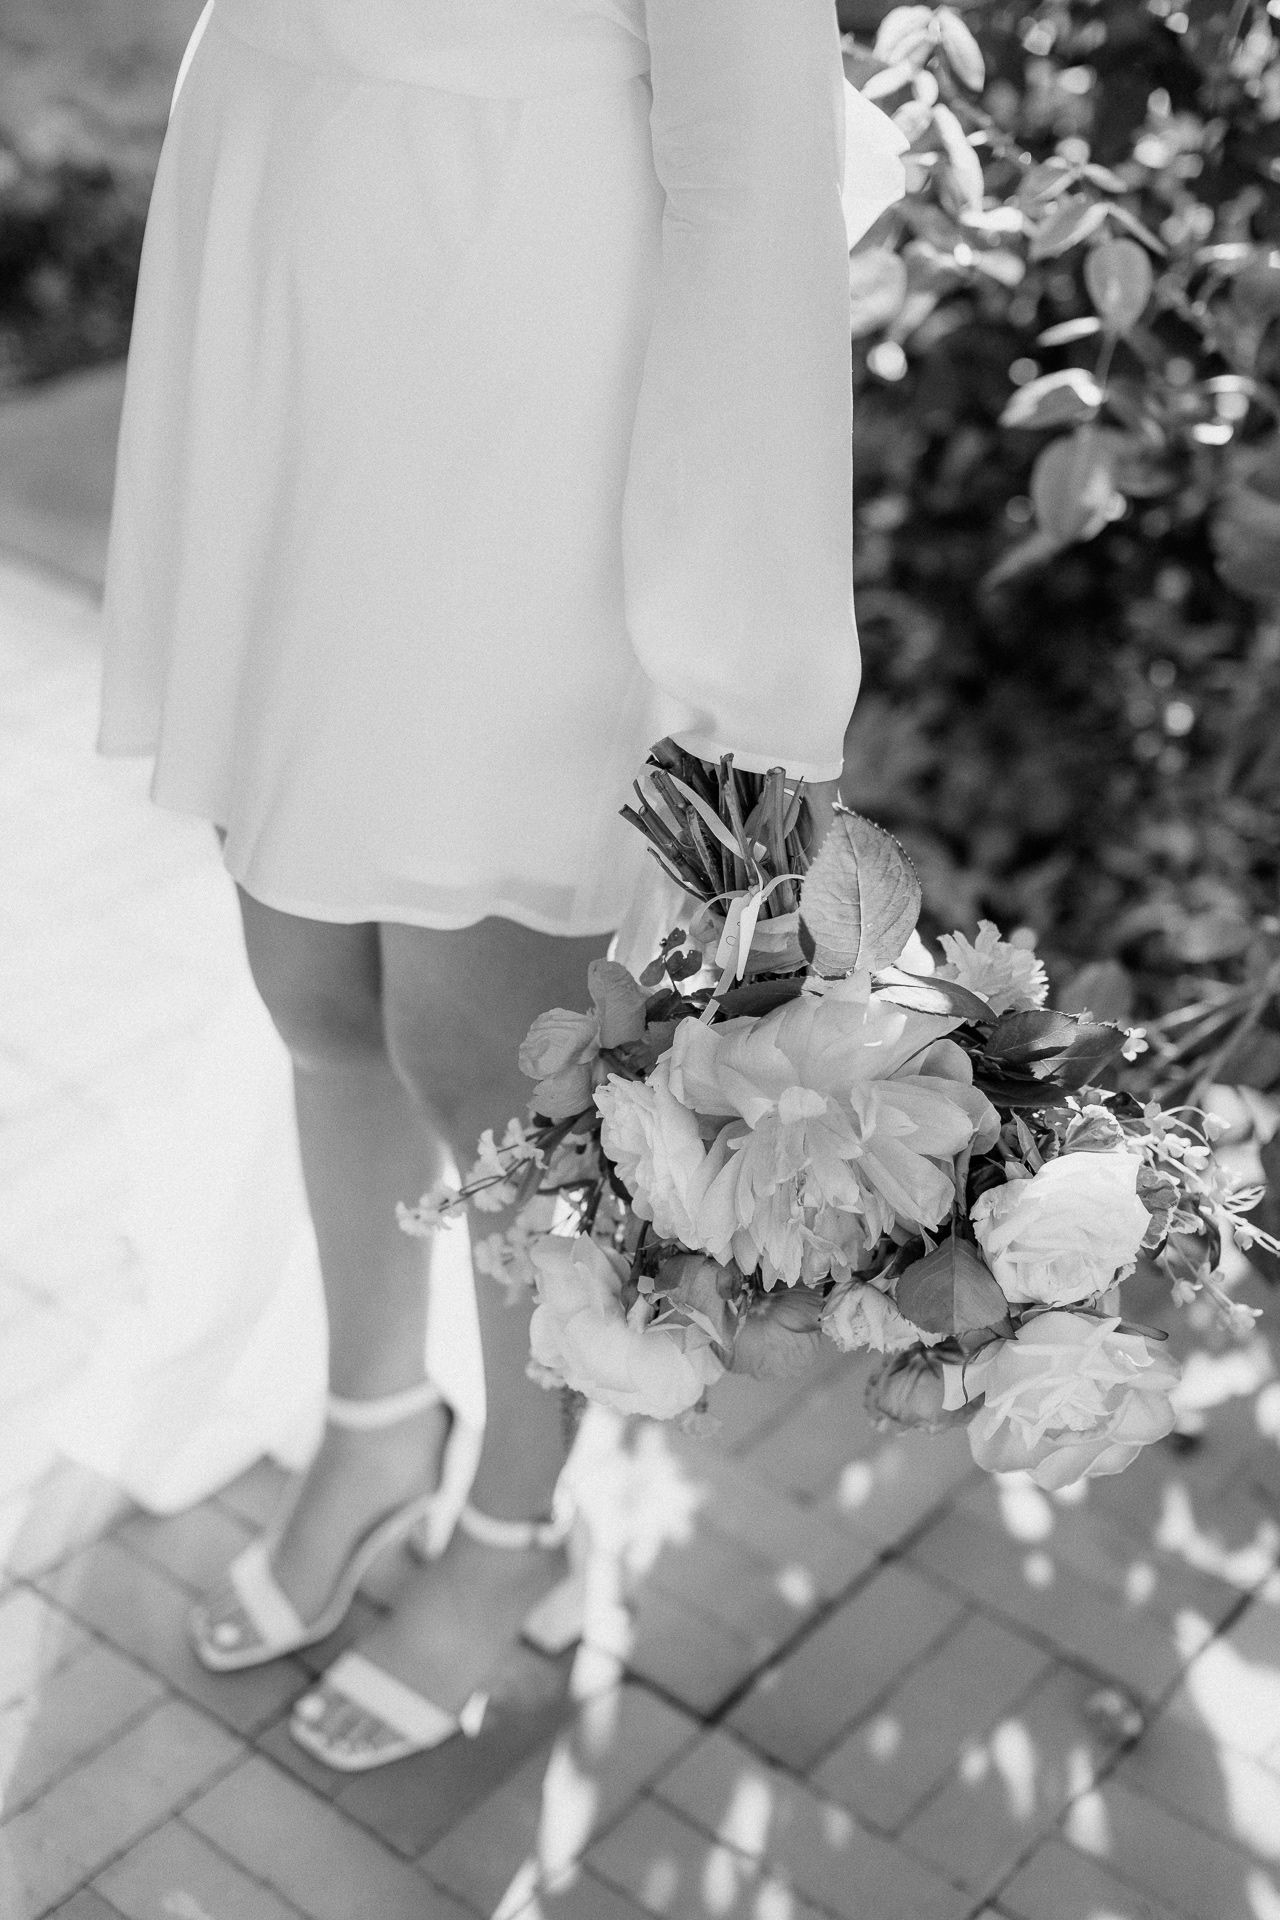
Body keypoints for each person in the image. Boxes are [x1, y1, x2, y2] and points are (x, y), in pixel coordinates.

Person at [95, 0, 906, 1772]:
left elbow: (753, 183)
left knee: (489, 1068)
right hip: (283, 314)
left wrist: (755, 676)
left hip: (521, 409)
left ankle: (515, 1523)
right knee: (313, 993)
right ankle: (372, 1420)